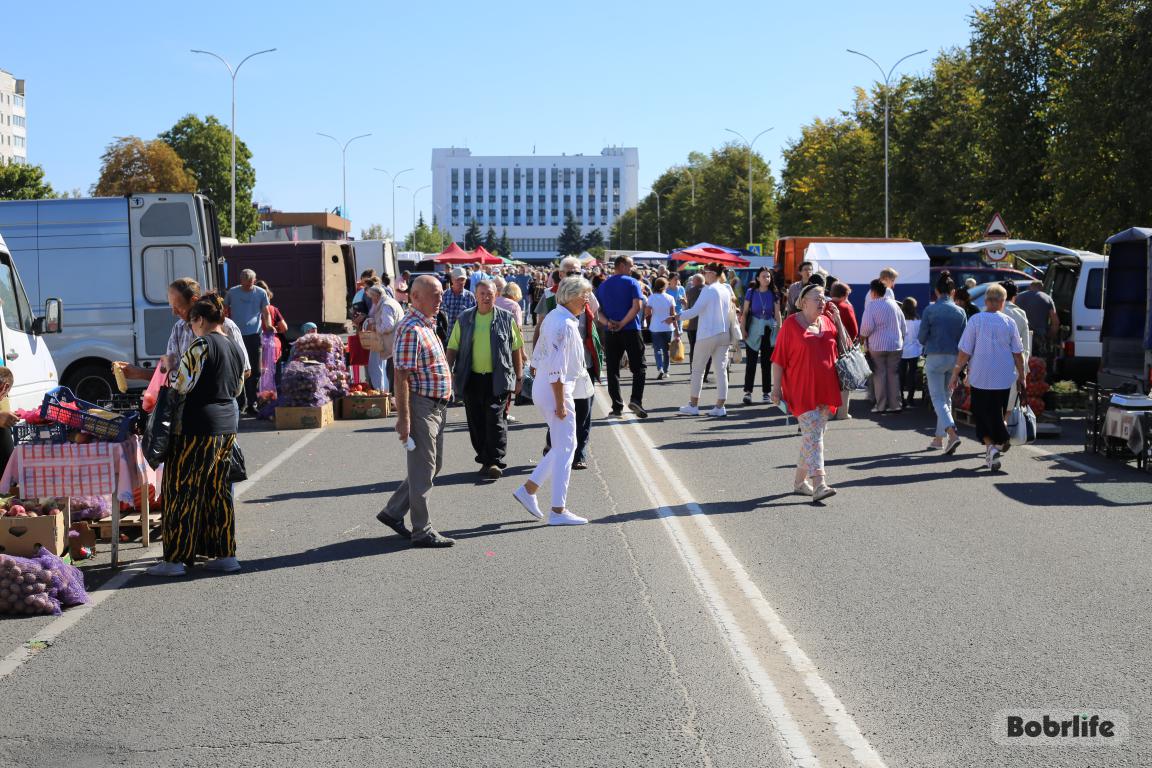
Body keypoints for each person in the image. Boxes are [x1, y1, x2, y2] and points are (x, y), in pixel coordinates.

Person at [147, 293, 246, 577]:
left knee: (181, 490)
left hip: (196, 426)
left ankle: (175, 560)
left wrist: (168, 374)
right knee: (219, 492)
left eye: (191, 323)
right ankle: (226, 554)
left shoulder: (201, 345)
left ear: (200, 319)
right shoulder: (234, 346)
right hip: (226, 426)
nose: (190, 329)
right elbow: (239, 387)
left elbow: (181, 385)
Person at [376, 275, 456, 548]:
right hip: (422, 406)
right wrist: (404, 419)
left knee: (432, 465)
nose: (440, 299)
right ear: (416, 297)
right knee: (424, 469)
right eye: (435, 294)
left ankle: (393, 512)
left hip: (435, 406)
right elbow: (401, 376)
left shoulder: (426, 324)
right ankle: (422, 530)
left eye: (441, 294)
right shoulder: (411, 328)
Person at [513, 276, 594, 526]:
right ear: (571, 296)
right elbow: (557, 369)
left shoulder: (555, 316)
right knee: (566, 448)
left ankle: (529, 489)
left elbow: (539, 354)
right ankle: (557, 510)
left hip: (547, 386)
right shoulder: (565, 324)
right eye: (584, 295)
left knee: (564, 446)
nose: (587, 300)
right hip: (556, 389)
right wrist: (560, 402)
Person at [446, 280, 524, 479]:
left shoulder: (506, 318)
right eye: (482, 293)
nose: (485, 297)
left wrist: (519, 376)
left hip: (498, 378)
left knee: (495, 420)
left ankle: (495, 461)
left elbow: (516, 349)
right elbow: (453, 347)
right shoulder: (465, 318)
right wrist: (447, 372)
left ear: (496, 295)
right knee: (476, 421)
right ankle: (484, 458)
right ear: (476, 295)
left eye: (489, 294)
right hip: (471, 378)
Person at [771, 283, 841, 501]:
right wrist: (775, 389)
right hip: (801, 390)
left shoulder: (828, 321)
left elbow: (842, 346)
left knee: (813, 436)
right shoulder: (791, 325)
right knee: (814, 436)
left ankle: (799, 483)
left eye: (824, 298)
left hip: (826, 389)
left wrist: (838, 320)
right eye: (817, 298)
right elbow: (778, 359)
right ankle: (819, 483)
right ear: (803, 302)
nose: (823, 302)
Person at [948, 283, 1026, 471]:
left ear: (986, 301)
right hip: (1003, 376)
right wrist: (1022, 376)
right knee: (997, 412)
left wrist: (955, 373)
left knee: (981, 413)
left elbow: (964, 351)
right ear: (1003, 302)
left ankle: (993, 445)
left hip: (980, 376)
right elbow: (1018, 353)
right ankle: (996, 445)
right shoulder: (1009, 322)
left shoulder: (976, 320)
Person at [672, 263, 735, 417]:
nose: (704, 274)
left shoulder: (709, 289)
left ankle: (693, 405)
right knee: (721, 371)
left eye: (706, 272)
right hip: (724, 333)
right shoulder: (726, 289)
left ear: (712, 273)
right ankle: (720, 407)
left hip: (707, 334)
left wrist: (676, 317)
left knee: (698, 370)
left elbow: (695, 310)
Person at [919, 271, 967, 453]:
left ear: (936, 291)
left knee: (938, 398)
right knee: (946, 398)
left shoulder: (930, 310)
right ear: (953, 292)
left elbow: (921, 338)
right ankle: (939, 439)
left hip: (935, 356)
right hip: (955, 358)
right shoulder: (960, 311)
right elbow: (965, 341)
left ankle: (952, 434)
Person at [595, 255, 648, 418]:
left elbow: (596, 311)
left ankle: (617, 407)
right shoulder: (632, 282)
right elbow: (637, 306)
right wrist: (623, 323)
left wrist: (608, 323)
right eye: (631, 266)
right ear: (622, 265)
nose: (632, 269)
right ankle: (636, 400)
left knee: (612, 369)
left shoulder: (603, 285)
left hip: (611, 330)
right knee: (639, 367)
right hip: (631, 329)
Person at [224, 269, 272, 415]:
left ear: (254, 280)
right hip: (236, 336)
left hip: (254, 335)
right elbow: (224, 309)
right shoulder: (232, 292)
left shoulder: (261, 293)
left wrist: (269, 325)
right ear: (241, 281)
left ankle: (253, 403)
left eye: (251, 283)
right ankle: (241, 403)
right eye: (246, 284)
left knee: (255, 371)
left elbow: (266, 312)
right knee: (239, 369)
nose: (248, 286)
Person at [859, 279, 907, 413]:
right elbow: (904, 326)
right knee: (893, 374)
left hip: (877, 346)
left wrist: (862, 338)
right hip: (895, 345)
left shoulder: (871, 306)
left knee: (879, 375)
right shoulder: (894, 304)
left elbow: (866, 328)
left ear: (873, 292)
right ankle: (895, 405)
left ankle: (881, 406)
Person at [740, 267, 781, 404]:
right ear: (757, 278)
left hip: (768, 330)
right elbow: (745, 312)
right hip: (753, 329)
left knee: (766, 363)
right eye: (763, 276)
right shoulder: (751, 292)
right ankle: (748, 392)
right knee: (751, 362)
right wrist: (743, 329)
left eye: (768, 276)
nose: (766, 279)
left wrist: (779, 332)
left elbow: (777, 314)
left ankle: (766, 393)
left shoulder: (774, 293)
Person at [364, 284, 404, 393]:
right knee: (385, 370)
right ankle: (384, 392)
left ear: (376, 296)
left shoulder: (386, 305)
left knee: (380, 369)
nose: (372, 300)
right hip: (393, 341)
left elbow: (387, 326)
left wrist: (374, 327)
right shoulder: (390, 302)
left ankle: (381, 393)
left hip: (389, 342)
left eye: (372, 298)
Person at [828, 282, 858, 419]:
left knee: (829, 381)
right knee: (844, 381)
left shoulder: (824, 306)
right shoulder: (846, 307)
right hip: (843, 349)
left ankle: (829, 412)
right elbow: (854, 330)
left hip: (827, 348)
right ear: (845, 295)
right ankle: (842, 412)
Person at [1014, 279, 1058, 369]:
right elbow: (1055, 322)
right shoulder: (1047, 298)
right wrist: (1050, 336)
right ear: (1041, 288)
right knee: (1039, 364)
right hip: (1040, 336)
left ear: (1030, 287)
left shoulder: (1018, 297)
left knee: (1021, 361)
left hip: (1021, 336)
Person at [646, 278, 676, 380]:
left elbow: (647, 313)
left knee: (657, 349)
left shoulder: (651, 297)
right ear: (665, 286)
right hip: (668, 327)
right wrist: (677, 328)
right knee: (666, 350)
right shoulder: (670, 297)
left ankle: (660, 368)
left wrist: (650, 319)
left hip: (655, 327)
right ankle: (666, 371)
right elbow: (673, 314)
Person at [899, 298, 923, 407]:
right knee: (912, 375)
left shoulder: (900, 320)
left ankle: (901, 399)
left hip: (901, 351)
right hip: (914, 351)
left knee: (901, 375)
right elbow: (920, 338)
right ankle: (910, 398)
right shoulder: (918, 321)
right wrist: (920, 349)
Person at [442, 267, 477, 340]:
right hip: (447, 338)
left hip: (464, 338)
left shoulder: (470, 297)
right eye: (458, 279)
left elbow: (475, 318)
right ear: (452, 279)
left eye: (463, 279)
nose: (461, 282)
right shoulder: (444, 295)